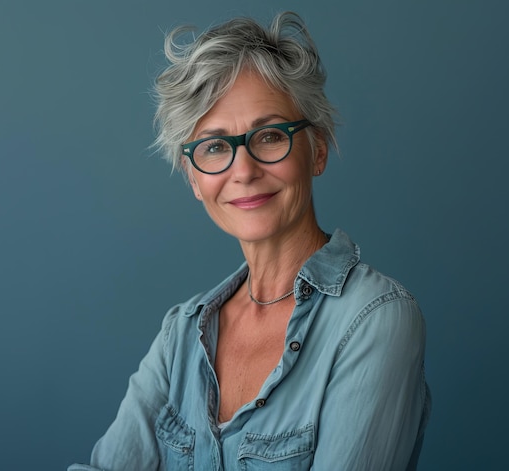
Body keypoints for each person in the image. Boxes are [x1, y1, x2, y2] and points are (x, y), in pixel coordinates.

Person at [69, 11, 430, 471]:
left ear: (317, 149)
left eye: (271, 135)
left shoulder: (375, 319)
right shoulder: (180, 334)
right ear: (193, 178)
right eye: (216, 146)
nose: (243, 170)